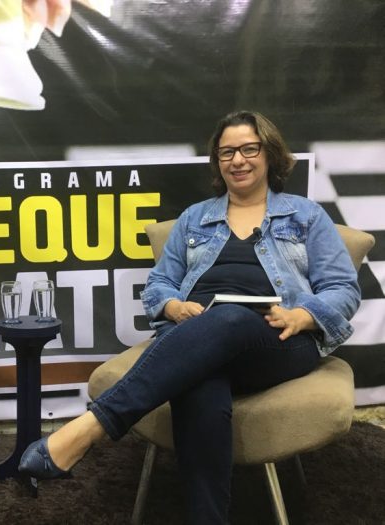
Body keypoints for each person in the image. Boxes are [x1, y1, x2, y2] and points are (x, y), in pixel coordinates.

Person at [19, 111, 361, 523]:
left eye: (249, 149)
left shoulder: (305, 216)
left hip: (278, 340)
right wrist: (173, 307)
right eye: (226, 152)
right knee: (200, 383)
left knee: (230, 319)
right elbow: (160, 283)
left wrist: (302, 316)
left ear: (269, 154)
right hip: (197, 336)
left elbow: (343, 288)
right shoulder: (195, 218)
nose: (238, 160)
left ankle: (94, 425)